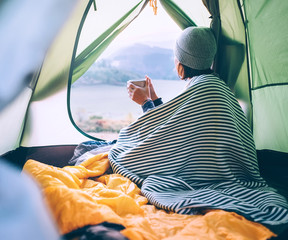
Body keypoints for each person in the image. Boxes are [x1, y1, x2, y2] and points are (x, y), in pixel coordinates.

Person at [109, 26, 288, 231]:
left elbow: (161, 144)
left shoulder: (202, 90)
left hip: (211, 179)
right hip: (234, 174)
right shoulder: (216, 85)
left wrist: (145, 104)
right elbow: (177, 132)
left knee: (119, 152)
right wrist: (155, 100)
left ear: (181, 65)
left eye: (176, 58)